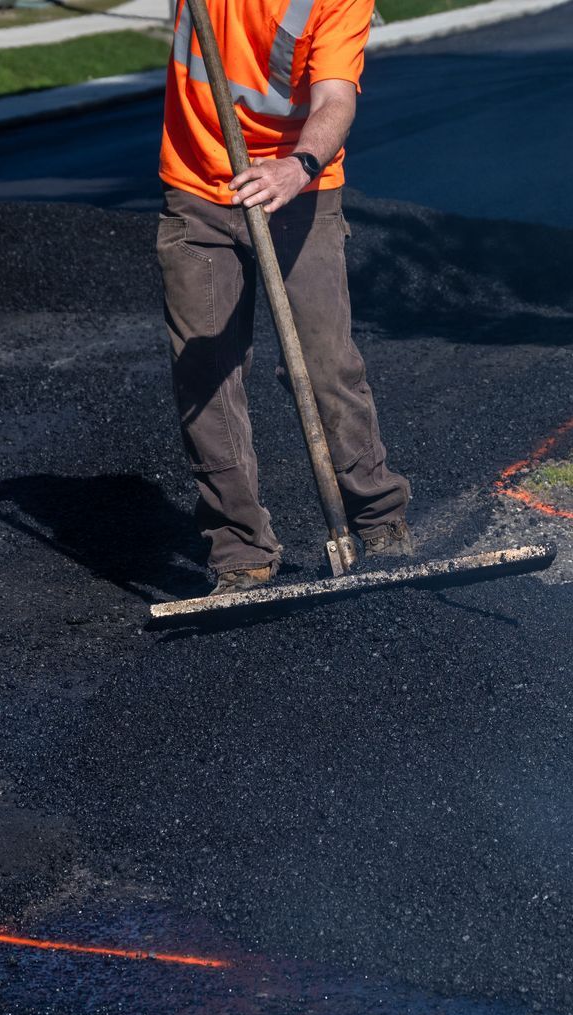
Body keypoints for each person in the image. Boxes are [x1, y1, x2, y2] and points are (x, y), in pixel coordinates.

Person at [158, 0, 413, 597]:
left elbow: (335, 99)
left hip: (300, 189)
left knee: (326, 365)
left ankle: (378, 523)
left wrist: (296, 167)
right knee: (206, 377)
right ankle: (240, 551)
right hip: (197, 190)